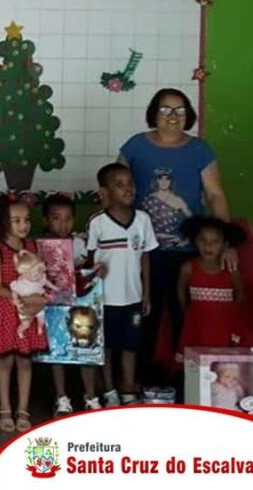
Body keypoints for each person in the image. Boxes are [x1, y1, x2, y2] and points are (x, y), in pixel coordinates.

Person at [118, 88, 232, 383]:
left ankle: (190, 381)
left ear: (188, 115)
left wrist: (227, 243)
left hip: (189, 252)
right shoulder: (135, 146)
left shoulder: (200, 150)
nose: (173, 116)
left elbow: (215, 195)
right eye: (166, 110)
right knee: (146, 314)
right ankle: (141, 380)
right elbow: (117, 189)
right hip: (143, 252)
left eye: (180, 110)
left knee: (186, 315)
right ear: (153, 114)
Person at [86, 163, 158, 407]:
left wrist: (146, 293)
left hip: (133, 298)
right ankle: (109, 391)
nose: (127, 189)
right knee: (106, 347)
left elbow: (145, 257)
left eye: (130, 184)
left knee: (130, 346)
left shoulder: (143, 220)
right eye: (119, 185)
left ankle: (128, 389)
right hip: (105, 299)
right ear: (105, 192)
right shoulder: (97, 223)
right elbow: (88, 260)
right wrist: (96, 268)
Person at [0, 195, 47, 433]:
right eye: (16, 220)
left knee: (25, 361)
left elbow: (41, 277)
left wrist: (33, 300)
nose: (23, 225)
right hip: (7, 310)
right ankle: (4, 407)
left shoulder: (33, 247)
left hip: (29, 312)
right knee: (5, 361)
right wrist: (17, 298)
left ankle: (23, 408)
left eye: (26, 220)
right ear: (4, 222)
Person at [42, 194, 101, 415]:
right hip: (54, 307)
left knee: (86, 347)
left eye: (68, 218)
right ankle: (61, 398)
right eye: (56, 218)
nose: (63, 224)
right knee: (57, 350)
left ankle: (90, 396)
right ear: (46, 220)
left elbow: (87, 269)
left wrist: (96, 270)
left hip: (80, 305)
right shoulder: (41, 246)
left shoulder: (79, 244)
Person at [175, 216, 246, 362]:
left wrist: (232, 319)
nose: (208, 246)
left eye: (215, 242)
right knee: (195, 365)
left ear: (225, 244)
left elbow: (240, 293)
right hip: (197, 326)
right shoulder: (188, 268)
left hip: (223, 327)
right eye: (203, 240)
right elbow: (180, 292)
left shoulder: (231, 269)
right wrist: (188, 315)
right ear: (195, 241)